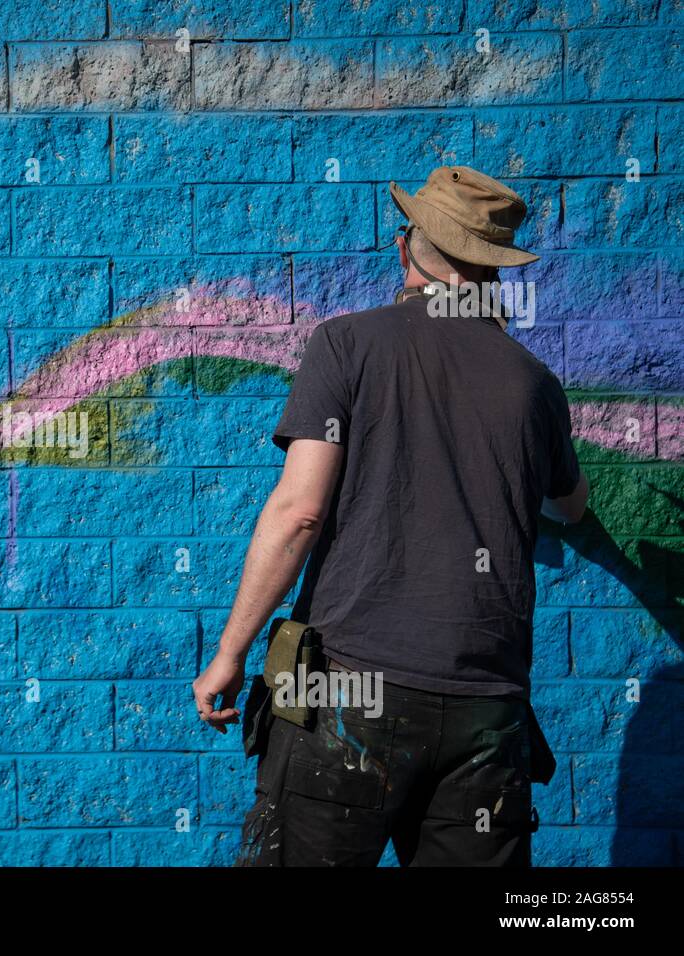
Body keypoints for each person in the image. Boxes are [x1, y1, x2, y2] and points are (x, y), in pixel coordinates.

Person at [192, 166, 589, 866]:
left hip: (349, 691)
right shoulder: (535, 384)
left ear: (406, 246)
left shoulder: (348, 344)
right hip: (488, 711)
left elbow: (300, 512)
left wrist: (230, 654)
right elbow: (572, 504)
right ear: (495, 269)